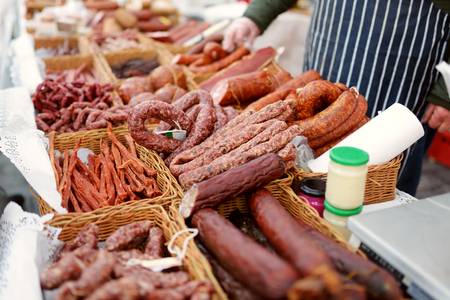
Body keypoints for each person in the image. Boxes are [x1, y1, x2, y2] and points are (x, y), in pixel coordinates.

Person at [223, 0, 450, 197]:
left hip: (401, 68)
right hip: (327, 50)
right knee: (305, 160)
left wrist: (446, 92)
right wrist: (254, 16)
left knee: (384, 171)